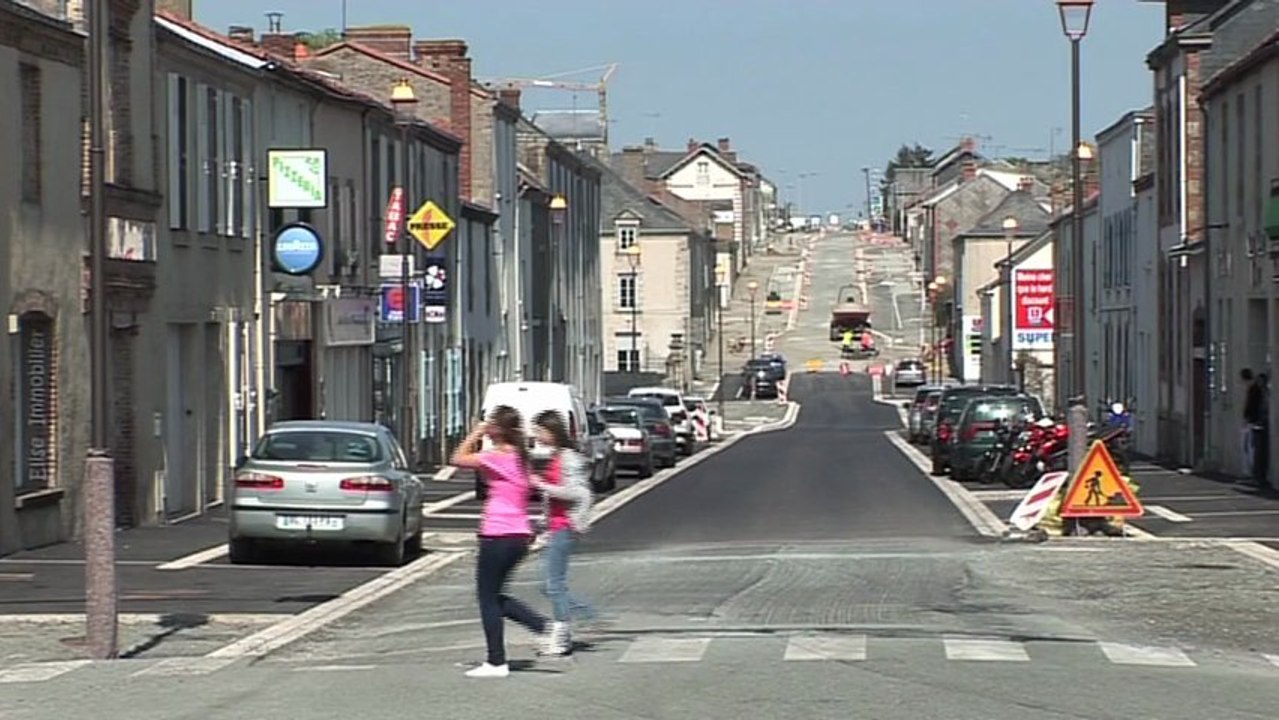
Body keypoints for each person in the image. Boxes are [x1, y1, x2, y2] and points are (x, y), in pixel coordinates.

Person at [450, 406, 555, 679]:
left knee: (487, 599)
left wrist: (475, 433)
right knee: (494, 596)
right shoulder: (521, 458)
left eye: (490, 423)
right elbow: (536, 485)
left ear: (497, 429)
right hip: (519, 534)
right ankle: (542, 626)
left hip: (497, 532)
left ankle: (497, 661)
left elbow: (457, 459)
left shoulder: (496, 457)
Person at [529, 409, 597, 655]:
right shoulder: (557, 457)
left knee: (553, 585)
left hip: (565, 527)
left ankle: (562, 635)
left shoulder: (569, 459)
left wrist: (541, 485)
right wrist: (542, 522)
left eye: (539, 430)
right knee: (549, 585)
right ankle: (576, 617)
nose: (535, 435)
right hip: (555, 526)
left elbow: (577, 493)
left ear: (552, 432)